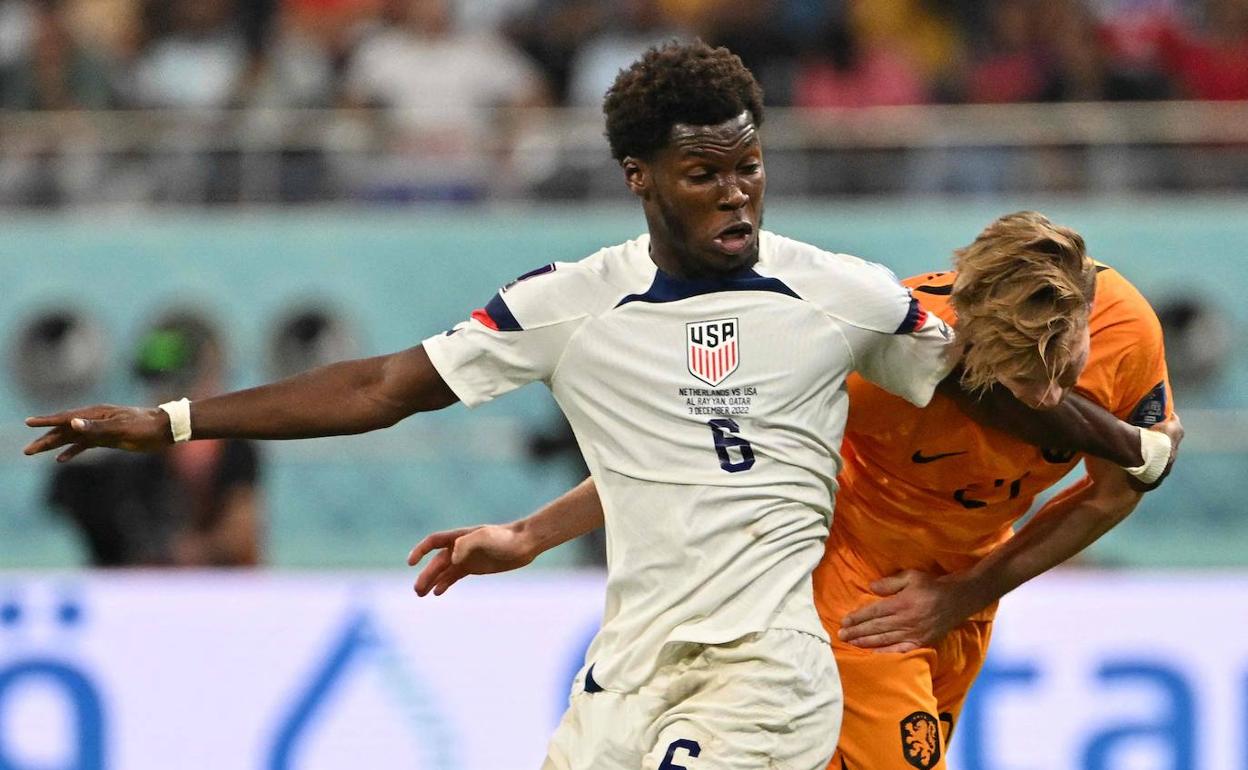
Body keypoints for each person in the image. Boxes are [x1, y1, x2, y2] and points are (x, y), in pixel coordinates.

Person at [25, 44, 1167, 770]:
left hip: (768, 667)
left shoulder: (841, 295)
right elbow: (380, 386)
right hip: (632, 667)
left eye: (750, 167)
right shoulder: (570, 305)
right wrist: (175, 419)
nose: (736, 194)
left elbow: (1003, 392)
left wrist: (1138, 445)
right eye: (704, 173)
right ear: (639, 174)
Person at [408, 211, 1181, 770]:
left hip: (969, 582)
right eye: (1012, 385)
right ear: (962, 330)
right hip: (847, 575)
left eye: (1060, 380)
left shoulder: (1129, 334)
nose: (1044, 403)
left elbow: (1115, 492)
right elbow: (695, 456)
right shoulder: (870, 342)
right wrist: (533, 534)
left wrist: (970, 589)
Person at [46, 315, 264, 567]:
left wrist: (183, 551)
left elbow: (239, 539)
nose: (160, 397)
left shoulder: (231, 449)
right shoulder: (128, 460)